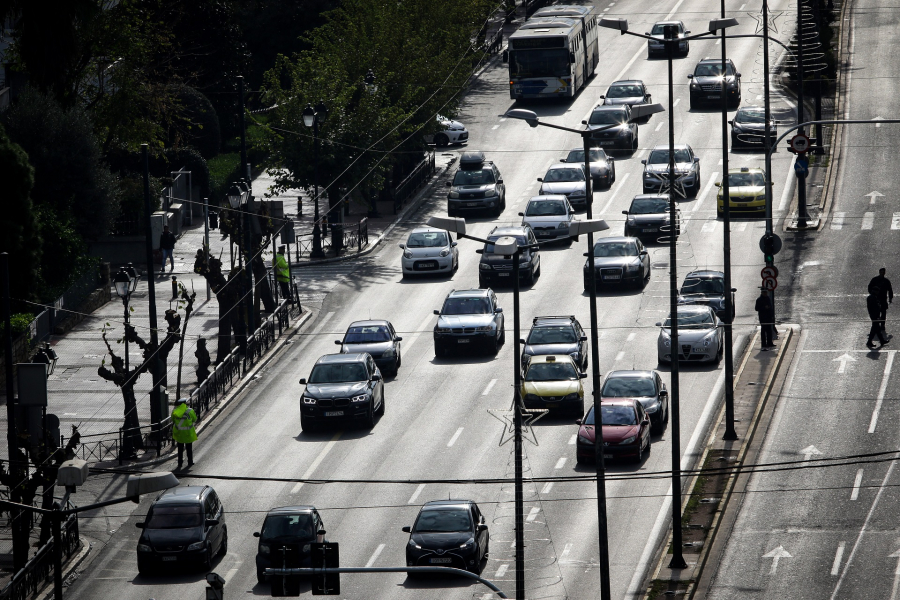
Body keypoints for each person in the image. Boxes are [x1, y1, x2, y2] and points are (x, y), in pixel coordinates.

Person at [172, 399, 198, 469]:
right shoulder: (190, 411)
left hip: (179, 434)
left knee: (180, 449)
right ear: (185, 404)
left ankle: (180, 463)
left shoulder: (175, 411)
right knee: (189, 448)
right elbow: (194, 419)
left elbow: (173, 420)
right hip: (188, 434)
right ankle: (190, 462)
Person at [868, 267, 893, 333]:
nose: (882, 273)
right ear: (879, 272)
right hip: (876, 299)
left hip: (883, 299)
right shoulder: (875, 280)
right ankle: (877, 324)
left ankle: (882, 325)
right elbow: (869, 287)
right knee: (877, 312)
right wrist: (872, 295)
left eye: (883, 272)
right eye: (881, 272)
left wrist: (890, 298)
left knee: (883, 312)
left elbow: (890, 290)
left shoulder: (886, 281)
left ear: (884, 273)